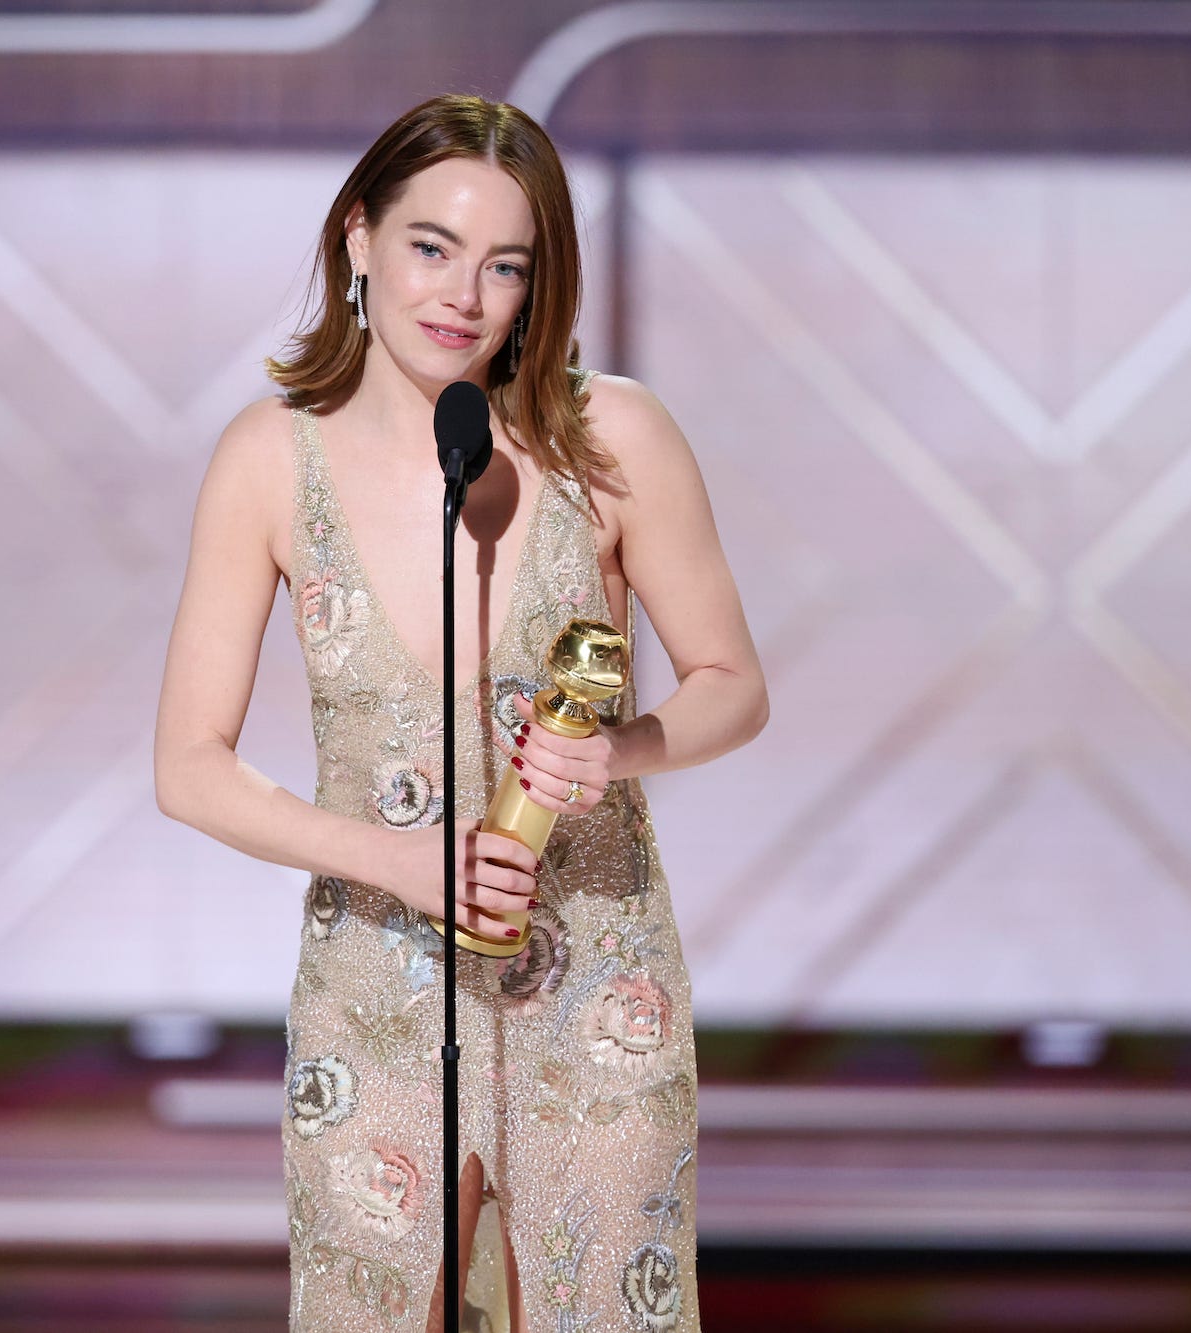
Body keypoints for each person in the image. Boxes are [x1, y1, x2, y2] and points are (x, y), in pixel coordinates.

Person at [154, 93, 766, 1333]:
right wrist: (392, 859)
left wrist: (618, 746)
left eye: (504, 266)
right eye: (431, 247)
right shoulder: (270, 459)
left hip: (592, 968)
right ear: (357, 239)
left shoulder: (613, 439)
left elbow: (731, 685)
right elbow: (189, 766)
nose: (462, 297)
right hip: (373, 979)